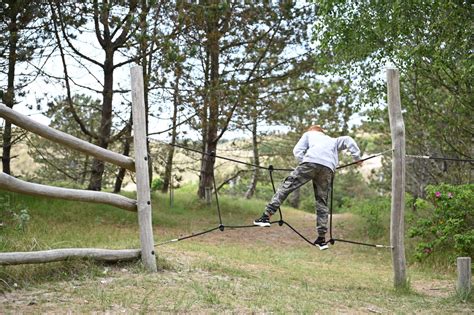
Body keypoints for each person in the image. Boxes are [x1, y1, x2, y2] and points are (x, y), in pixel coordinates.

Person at [253, 125, 362, 249]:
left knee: (286, 187)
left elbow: (297, 151)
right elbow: (348, 139)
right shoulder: (333, 140)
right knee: (322, 201)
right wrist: (357, 158)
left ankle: (266, 216)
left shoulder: (309, 134)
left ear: (311, 130)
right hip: (327, 169)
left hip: (310, 163)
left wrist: (305, 162)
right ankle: (321, 238)